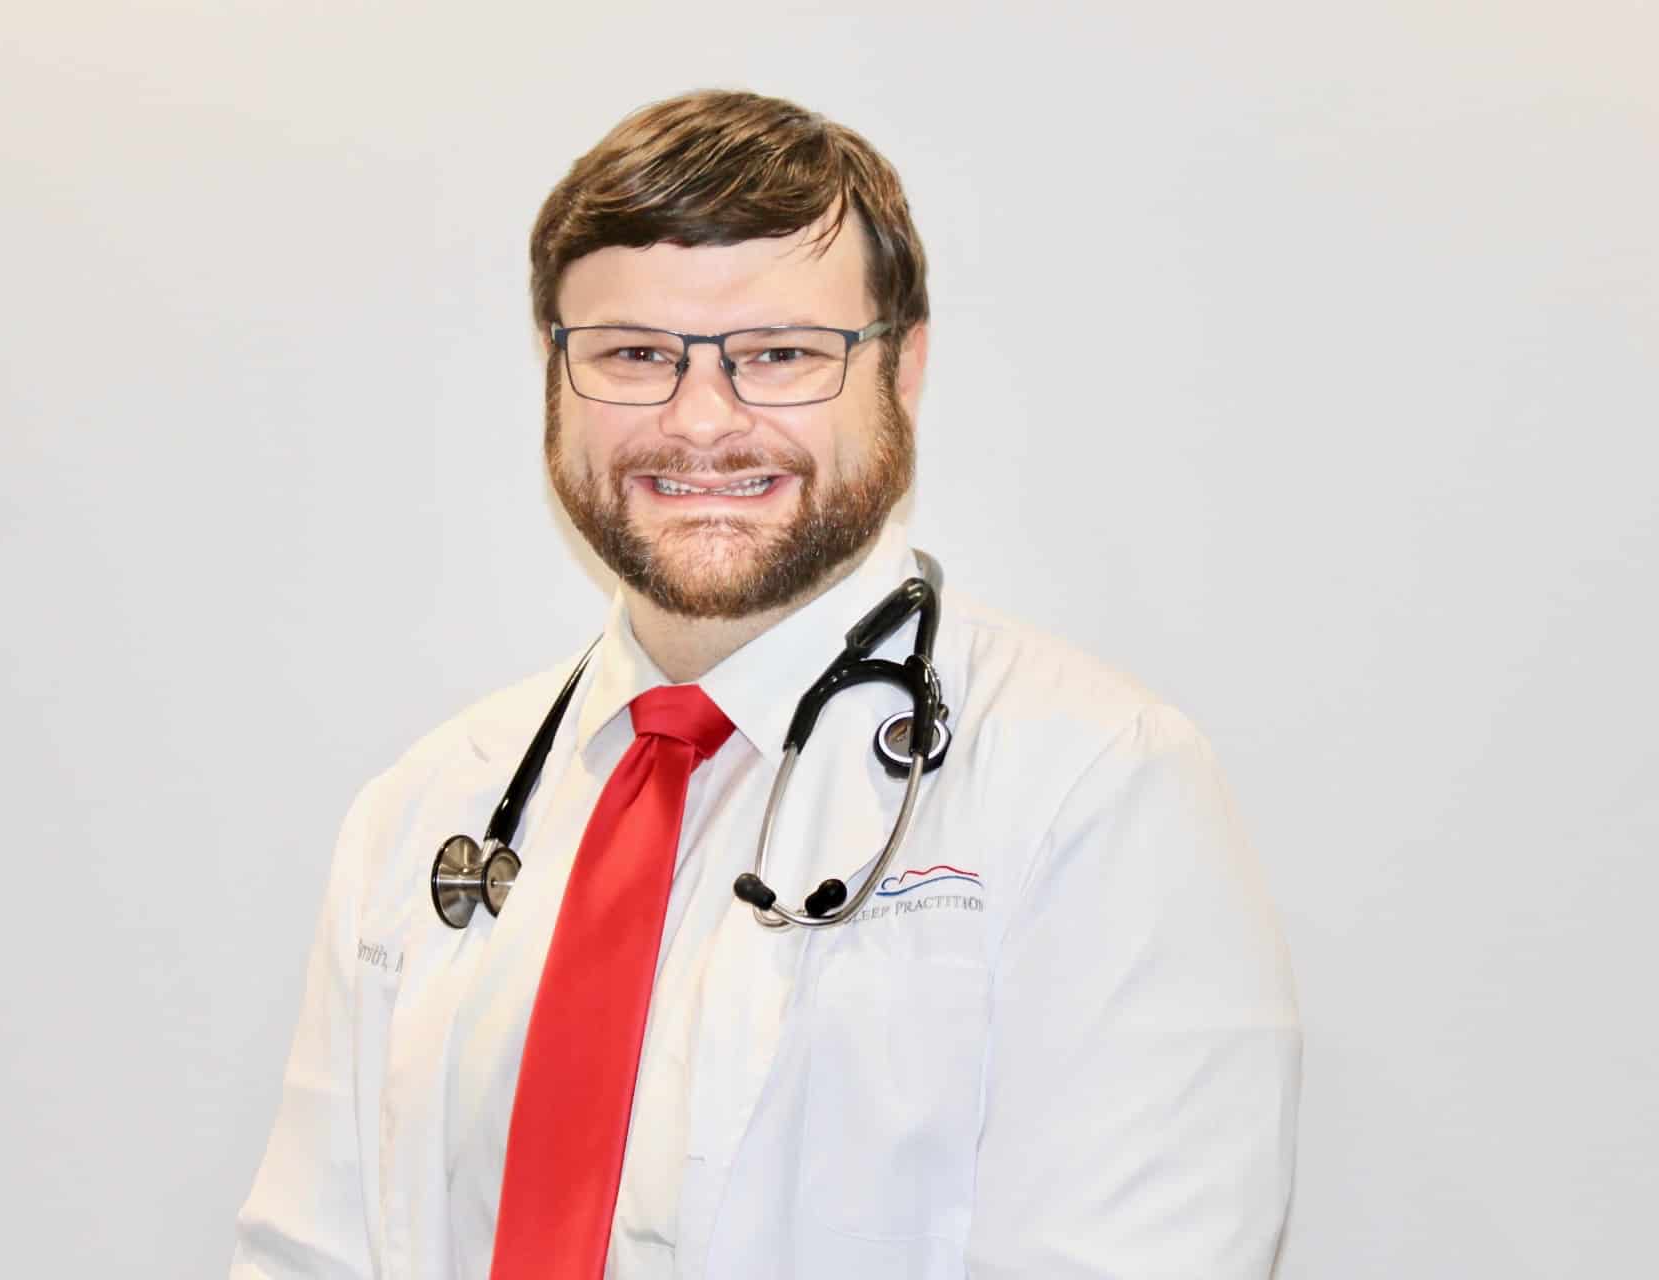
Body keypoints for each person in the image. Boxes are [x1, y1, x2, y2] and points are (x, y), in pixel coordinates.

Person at [232, 89, 1301, 1279]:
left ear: (903, 371)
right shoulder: (426, 809)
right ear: (553, 373)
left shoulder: (1096, 788)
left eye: (780, 355)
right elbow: (307, 1252)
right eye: (635, 354)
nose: (700, 422)